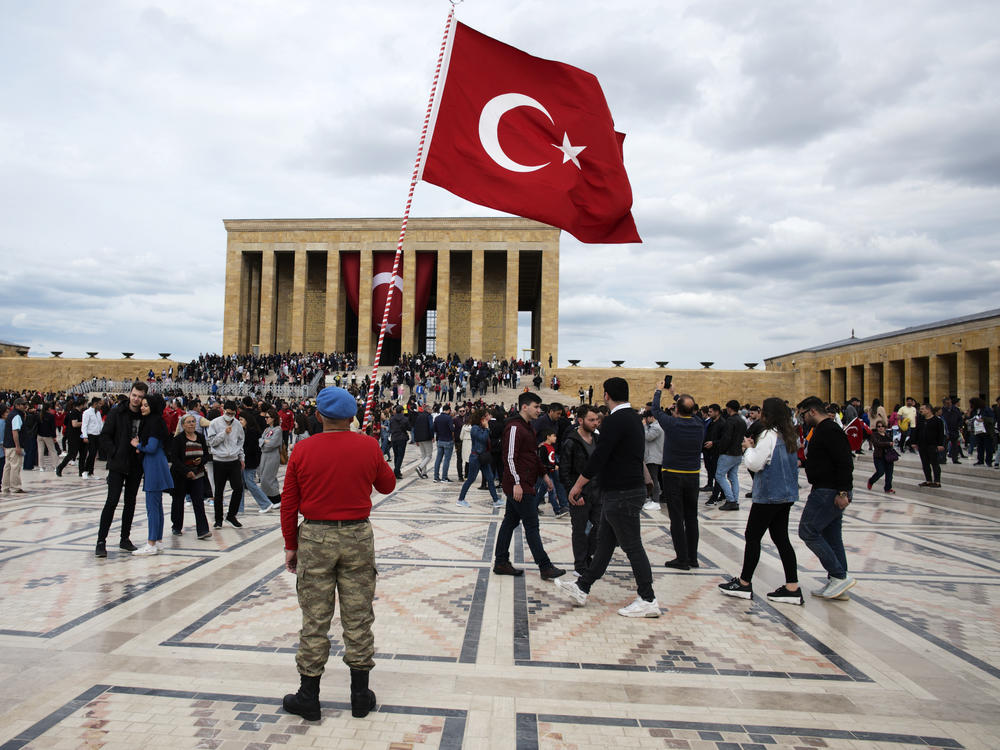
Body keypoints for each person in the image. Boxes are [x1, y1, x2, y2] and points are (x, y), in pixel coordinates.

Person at [280, 386, 396, 721]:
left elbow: (288, 503)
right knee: (358, 615)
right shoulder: (368, 445)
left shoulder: (303, 449)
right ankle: (360, 695)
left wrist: (291, 545)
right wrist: (373, 452)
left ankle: (309, 695)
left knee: (315, 618)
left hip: (315, 536)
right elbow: (387, 485)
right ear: (352, 417)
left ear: (318, 416)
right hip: (358, 535)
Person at [554, 377, 659, 618]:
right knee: (605, 544)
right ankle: (582, 587)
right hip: (624, 491)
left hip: (623, 492)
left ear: (606, 395)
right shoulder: (634, 418)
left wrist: (578, 485)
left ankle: (648, 598)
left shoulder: (614, 421)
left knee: (632, 546)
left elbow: (599, 457)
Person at [718, 398, 802, 604]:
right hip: (786, 495)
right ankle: (792, 587)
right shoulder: (789, 435)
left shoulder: (768, 435)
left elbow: (756, 464)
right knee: (781, 539)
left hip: (769, 496)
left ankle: (744, 583)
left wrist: (748, 447)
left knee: (752, 536)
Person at [492, 391, 565, 580]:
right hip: (520, 485)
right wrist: (516, 483)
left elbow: (532, 455)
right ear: (525, 406)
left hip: (525, 481)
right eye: (536, 406)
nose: (539, 410)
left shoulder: (528, 427)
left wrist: (544, 475)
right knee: (532, 524)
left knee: (510, 521)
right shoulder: (515, 427)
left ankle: (500, 561)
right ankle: (545, 566)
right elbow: (509, 457)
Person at [796, 395, 855, 600]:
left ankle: (839, 576)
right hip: (825, 488)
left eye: (803, 414)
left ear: (812, 411)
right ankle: (838, 583)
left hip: (829, 491)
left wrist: (843, 492)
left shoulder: (830, 430)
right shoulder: (820, 430)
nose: (802, 418)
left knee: (807, 531)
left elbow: (844, 462)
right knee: (832, 537)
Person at [652, 381, 706, 571]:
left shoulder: (672, 423)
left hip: (673, 474)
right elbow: (692, 411)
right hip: (693, 475)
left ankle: (681, 558)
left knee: (676, 518)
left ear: (677, 408)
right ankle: (693, 558)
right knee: (692, 517)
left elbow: (656, 410)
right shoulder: (699, 424)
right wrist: (675, 394)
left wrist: (659, 390)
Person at [95, 383, 148, 557]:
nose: (136, 399)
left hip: (135, 464)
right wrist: (114, 453)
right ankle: (101, 541)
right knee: (112, 501)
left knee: (130, 502)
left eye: (140, 397)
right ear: (130, 394)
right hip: (118, 463)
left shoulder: (145, 414)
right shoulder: (117, 412)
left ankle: (125, 538)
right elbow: (105, 436)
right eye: (134, 395)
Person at [559, 405, 602, 576]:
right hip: (579, 494)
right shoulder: (571, 442)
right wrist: (573, 492)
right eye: (591, 420)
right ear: (580, 420)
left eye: (597, 420)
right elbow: (564, 471)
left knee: (601, 527)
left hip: (598, 492)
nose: (595, 423)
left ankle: (587, 556)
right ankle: (580, 564)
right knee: (579, 529)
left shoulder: (598, 440)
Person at [132, 394, 174, 556]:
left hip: (154, 464)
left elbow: (151, 447)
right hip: (156, 463)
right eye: (142, 405)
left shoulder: (154, 422)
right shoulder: (155, 421)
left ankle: (151, 543)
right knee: (157, 506)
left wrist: (138, 444)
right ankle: (158, 540)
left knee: (152, 506)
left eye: (145, 405)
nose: (142, 407)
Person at [169, 414, 212, 539]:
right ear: (183, 425)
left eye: (193, 422)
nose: (192, 424)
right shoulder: (178, 439)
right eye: (188, 422)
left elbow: (206, 455)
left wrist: (201, 461)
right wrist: (186, 471)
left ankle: (203, 530)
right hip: (181, 475)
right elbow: (175, 459)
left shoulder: (200, 437)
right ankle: (176, 526)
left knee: (198, 501)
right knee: (178, 501)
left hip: (197, 474)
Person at [206, 400, 245, 528]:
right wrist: (224, 434)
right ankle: (218, 519)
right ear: (224, 411)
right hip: (219, 460)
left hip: (233, 460)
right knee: (218, 492)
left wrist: (241, 457)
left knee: (238, 488)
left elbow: (240, 442)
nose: (230, 416)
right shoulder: (215, 423)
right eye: (228, 413)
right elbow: (211, 441)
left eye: (232, 414)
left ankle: (231, 515)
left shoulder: (238, 425)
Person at [456, 409, 502, 508]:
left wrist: (486, 428)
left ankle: (496, 500)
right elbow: (483, 438)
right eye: (487, 415)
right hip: (476, 457)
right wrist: (486, 428)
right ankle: (460, 499)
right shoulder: (475, 428)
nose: (489, 417)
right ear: (482, 418)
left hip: (483, 457)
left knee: (490, 478)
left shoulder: (481, 427)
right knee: (471, 479)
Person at [715, 400, 747, 511]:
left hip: (728, 453)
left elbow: (727, 438)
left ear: (729, 408)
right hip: (738, 453)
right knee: (733, 477)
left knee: (719, 475)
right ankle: (735, 500)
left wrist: (721, 450)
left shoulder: (730, 421)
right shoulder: (742, 421)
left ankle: (731, 500)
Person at [258, 408, 283, 510]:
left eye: (267, 417)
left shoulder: (278, 430)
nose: (266, 419)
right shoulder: (266, 429)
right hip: (264, 455)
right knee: (263, 476)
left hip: (273, 456)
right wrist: (265, 442)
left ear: (273, 418)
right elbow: (260, 440)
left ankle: (277, 498)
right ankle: (270, 497)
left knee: (268, 478)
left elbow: (273, 443)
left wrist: (265, 442)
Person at [916, 403, 945, 487]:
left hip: (933, 445)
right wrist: (915, 442)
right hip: (922, 445)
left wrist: (940, 444)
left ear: (928, 410)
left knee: (934, 463)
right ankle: (928, 480)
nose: (921, 410)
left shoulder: (937, 421)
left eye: (923, 409)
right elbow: (917, 431)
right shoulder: (921, 420)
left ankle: (937, 481)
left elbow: (941, 433)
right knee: (925, 464)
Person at [1, 398, 27, 494]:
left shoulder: (11, 415)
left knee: (7, 467)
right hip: (13, 446)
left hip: (8, 445)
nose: (25, 406)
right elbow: (15, 431)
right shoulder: (16, 416)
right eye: (23, 404)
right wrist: (18, 446)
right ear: (17, 405)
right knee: (15, 466)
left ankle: (5, 487)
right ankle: (15, 487)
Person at [56, 397, 84, 477]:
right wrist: (84, 422)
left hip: (80, 435)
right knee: (72, 453)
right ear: (81, 405)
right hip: (74, 436)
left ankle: (81, 471)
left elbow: (65, 422)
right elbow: (74, 424)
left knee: (82, 454)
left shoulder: (76, 412)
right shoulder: (74, 412)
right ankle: (60, 467)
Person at [642, 410, 664, 512]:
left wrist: (643, 426)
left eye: (646, 418)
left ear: (651, 417)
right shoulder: (652, 426)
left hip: (653, 457)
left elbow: (648, 436)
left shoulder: (656, 427)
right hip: (650, 456)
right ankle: (652, 498)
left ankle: (656, 501)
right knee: (652, 478)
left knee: (654, 479)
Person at [866, 421, 896, 494]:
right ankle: (871, 481)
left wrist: (889, 444)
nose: (880, 428)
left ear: (885, 427)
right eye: (878, 426)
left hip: (888, 457)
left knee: (889, 473)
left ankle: (888, 488)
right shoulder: (874, 435)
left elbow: (891, 444)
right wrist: (888, 444)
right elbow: (877, 444)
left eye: (882, 426)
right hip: (879, 456)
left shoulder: (887, 435)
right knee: (880, 472)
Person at [80, 396, 104, 478]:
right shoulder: (87, 412)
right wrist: (85, 436)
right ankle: (85, 471)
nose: (101, 405)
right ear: (95, 404)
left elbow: (100, 424)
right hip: (90, 435)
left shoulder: (98, 413)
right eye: (99, 404)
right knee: (91, 453)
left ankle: (91, 472)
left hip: (97, 435)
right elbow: (84, 425)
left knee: (94, 455)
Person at [433, 404, 455, 482]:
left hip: (440, 440)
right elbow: (452, 429)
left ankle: (436, 477)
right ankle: (444, 477)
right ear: (448, 410)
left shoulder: (437, 418)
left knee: (438, 459)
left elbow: (434, 429)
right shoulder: (449, 418)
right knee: (446, 459)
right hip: (448, 440)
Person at [412, 406, 434, 479]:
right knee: (429, 455)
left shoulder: (419, 416)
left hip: (420, 438)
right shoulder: (429, 416)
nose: (432, 410)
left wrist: (416, 439)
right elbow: (431, 427)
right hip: (427, 438)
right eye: (431, 409)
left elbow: (415, 428)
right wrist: (432, 436)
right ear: (427, 410)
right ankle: (420, 467)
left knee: (424, 456)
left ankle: (424, 473)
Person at [388, 406, 409, 478]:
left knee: (396, 455)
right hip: (402, 438)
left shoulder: (391, 419)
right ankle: (396, 471)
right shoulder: (405, 419)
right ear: (402, 411)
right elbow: (408, 427)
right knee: (400, 455)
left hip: (394, 438)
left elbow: (390, 428)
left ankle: (398, 471)